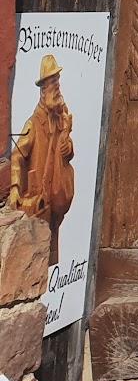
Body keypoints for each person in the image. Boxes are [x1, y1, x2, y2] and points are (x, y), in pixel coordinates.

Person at [9, 55, 75, 264]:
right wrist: (15, 188)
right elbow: (17, 156)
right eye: (53, 82)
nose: (57, 86)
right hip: (39, 201)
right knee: (34, 257)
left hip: (55, 198)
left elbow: (67, 151)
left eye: (58, 81)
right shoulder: (34, 123)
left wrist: (68, 148)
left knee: (51, 254)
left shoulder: (60, 117)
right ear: (43, 89)